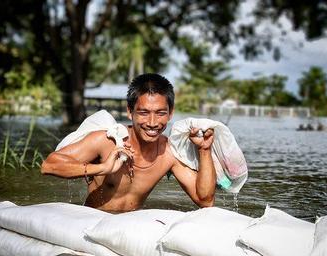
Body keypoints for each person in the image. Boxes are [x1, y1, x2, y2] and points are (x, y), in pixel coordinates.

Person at [41, 73, 216, 212]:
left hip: (130, 229)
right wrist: (102, 169)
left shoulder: (169, 152)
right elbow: (49, 165)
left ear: (170, 113)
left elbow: (205, 201)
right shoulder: (107, 140)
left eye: (161, 113)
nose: (153, 122)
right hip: (93, 223)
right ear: (129, 111)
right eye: (144, 113)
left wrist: (204, 150)